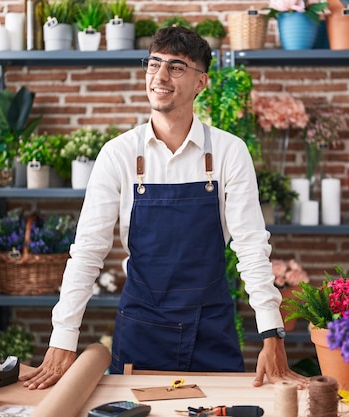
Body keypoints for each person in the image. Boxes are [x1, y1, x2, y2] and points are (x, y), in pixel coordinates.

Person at [19, 26, 308, 390]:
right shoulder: (118, 154)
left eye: (175, 67)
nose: (159, 76)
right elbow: (88, 251)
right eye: (154, 63)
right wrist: (63, 337)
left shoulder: (228, 152)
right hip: (142, 329)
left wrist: (272, 332)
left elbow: (251, 244)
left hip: (211, 328)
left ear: (201, 82)